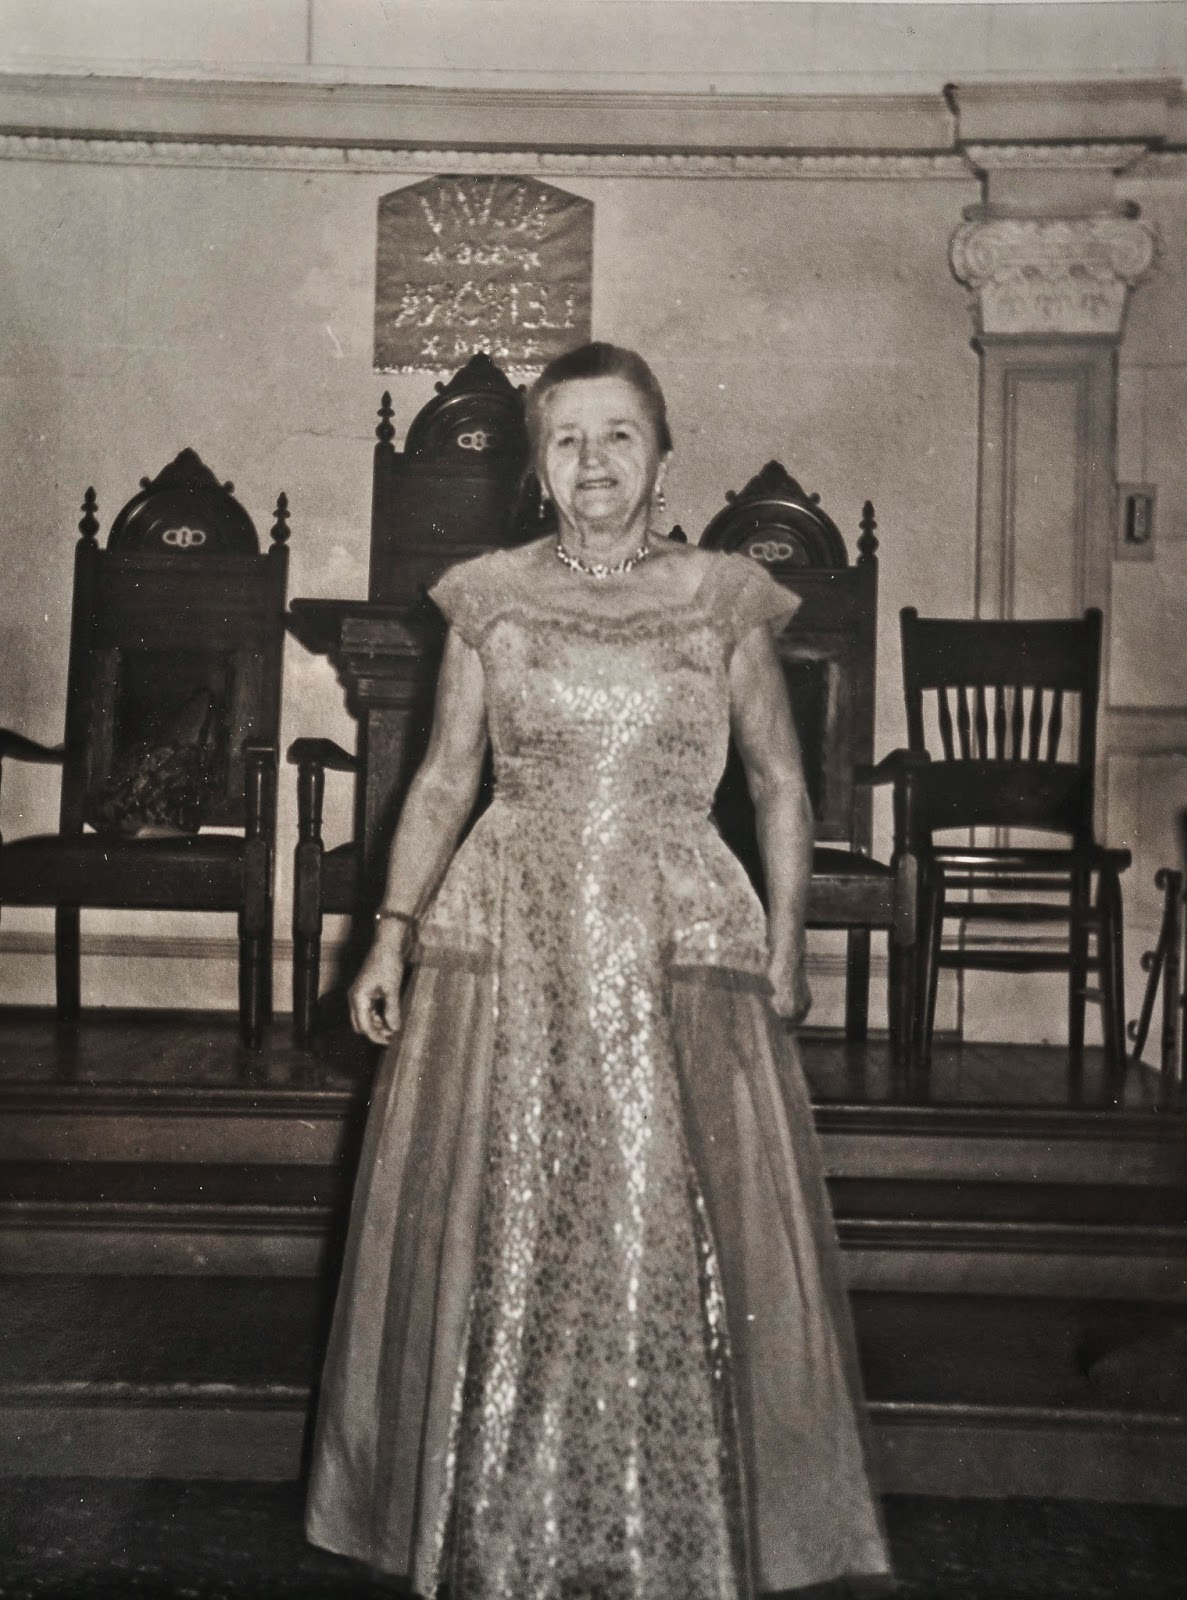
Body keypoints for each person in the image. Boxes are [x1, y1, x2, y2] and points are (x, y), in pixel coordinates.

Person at [306, 342, 891, 1599]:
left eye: (619, 434)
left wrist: (787, 940)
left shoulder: (723, 596)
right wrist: (388, 930)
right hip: (511, 926)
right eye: (566, 437)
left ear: (662, 453)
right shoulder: (487, 597)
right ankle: (503, 1512)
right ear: (536, 463)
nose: (593, 461)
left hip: (676, 930)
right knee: (512, 1214)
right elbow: (444, 779)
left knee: (658, 1217)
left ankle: (663, 1519)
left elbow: (779, 785)